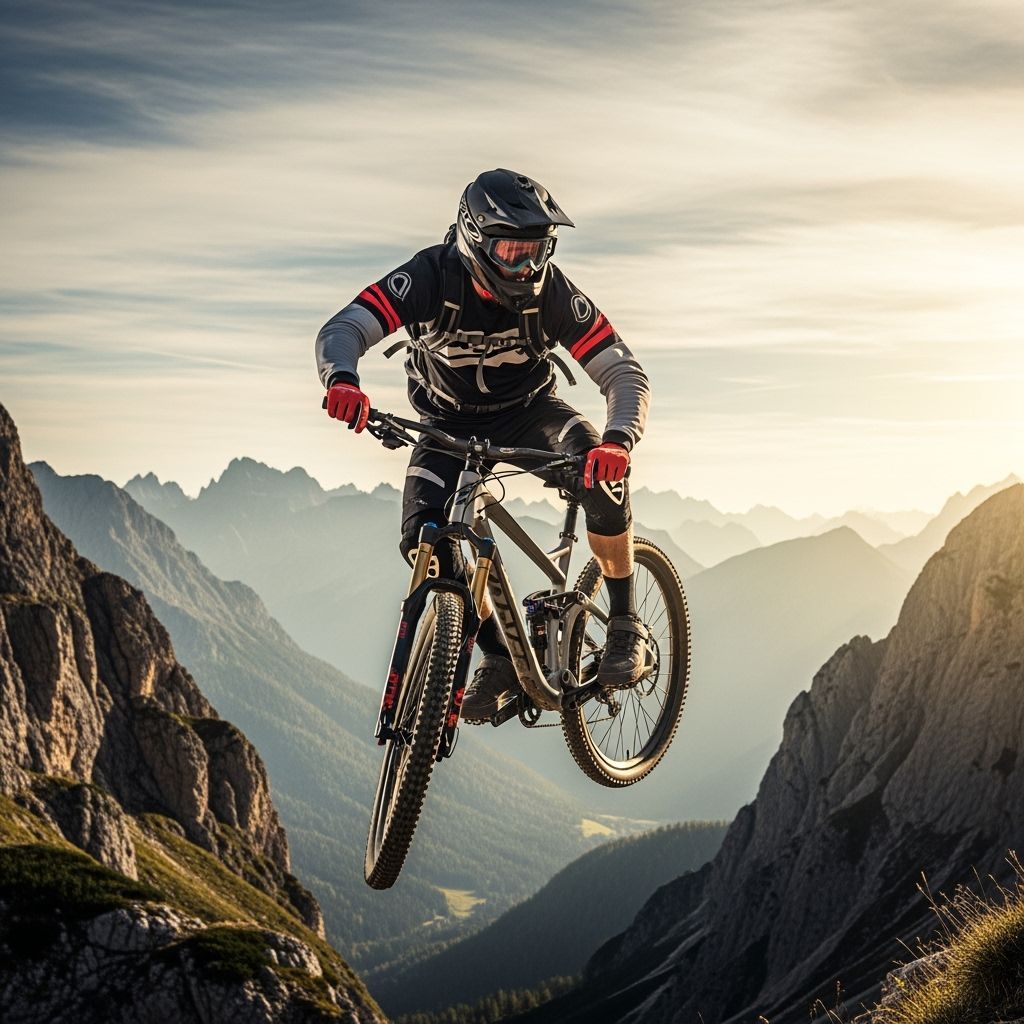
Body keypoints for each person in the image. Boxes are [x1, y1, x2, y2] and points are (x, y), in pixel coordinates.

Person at [316, 168, 651, 723]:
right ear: (473, 238)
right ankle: (498, 660)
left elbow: (622, 370)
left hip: (530, 415)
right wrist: (342, 380)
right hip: (443, 424)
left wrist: (618, 440)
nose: (527, 266)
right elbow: (346, 326)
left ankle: (624, 623)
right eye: (511, 250)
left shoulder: (554, 293)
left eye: (537, 250)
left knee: (604, 479)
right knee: (424, 543)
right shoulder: (429, 276)